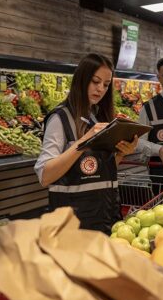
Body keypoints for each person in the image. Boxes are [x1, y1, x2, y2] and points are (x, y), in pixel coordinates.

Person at [34, 53, 138, 233]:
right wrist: (83, 141)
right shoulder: (60, 119)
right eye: (95, 81)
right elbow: (45, 176)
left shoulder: (97, 117)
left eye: (106, 85)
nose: (100, 89)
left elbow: (96, 170)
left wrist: (121, 153)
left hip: (106, 217)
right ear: (82, 79)